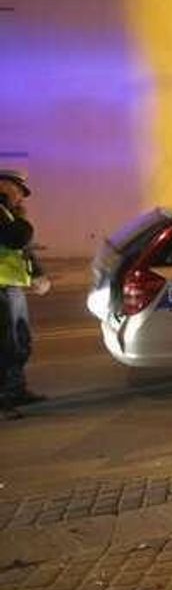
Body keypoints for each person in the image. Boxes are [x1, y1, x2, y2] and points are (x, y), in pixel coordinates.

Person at [0, 169, 50, 420]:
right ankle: (4, 398)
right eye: (17, 191)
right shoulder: (3, 215)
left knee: (19, 342)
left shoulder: (8, 214)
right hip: (1, 289)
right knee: (6, 345)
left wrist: (37, 274)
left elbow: (22, 250)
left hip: (11, 288)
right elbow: (17, 237)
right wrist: (20, 220)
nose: (20, 198)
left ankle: (15, 390)